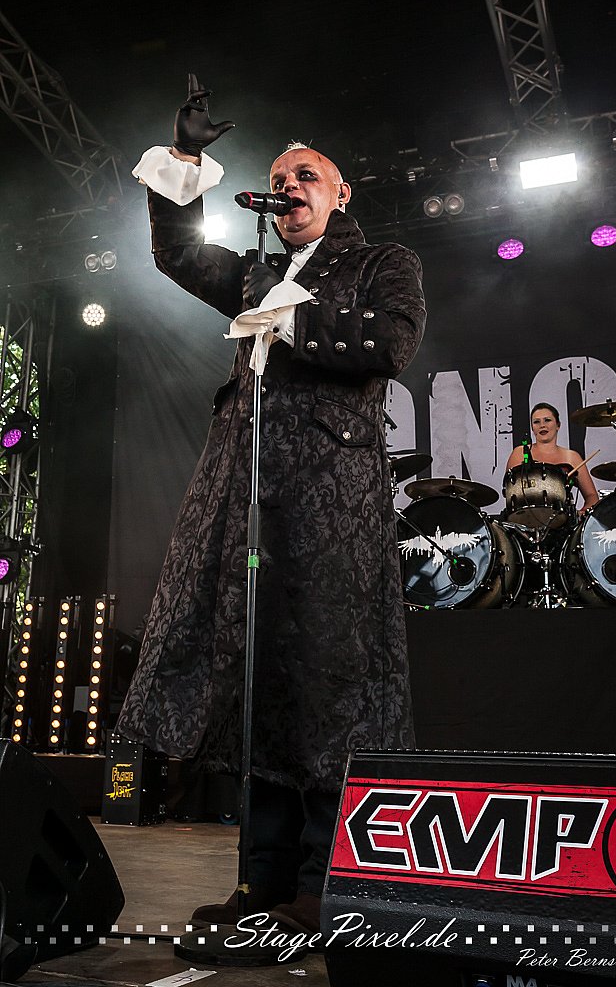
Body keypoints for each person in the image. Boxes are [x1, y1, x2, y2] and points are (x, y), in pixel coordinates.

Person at [115, 75, 427, 936]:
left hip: (330, 498)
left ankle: (319, 885)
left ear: (341, 193)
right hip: (246, 488)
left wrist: (284, 315)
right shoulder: (255, 269)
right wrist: (182, 160)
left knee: (327, 679)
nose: (288, 187)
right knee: (257, 677)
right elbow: (177, 255)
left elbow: (390, 344)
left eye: (306, 177)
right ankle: (258, 882)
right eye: (279, 178)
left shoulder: (381, 262)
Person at [505, 402, 599, 515]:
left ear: (558, 425)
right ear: (532, 428)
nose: (542, 425)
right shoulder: (519, 453)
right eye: (536, 422)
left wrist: (583, 513)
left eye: (547, 420)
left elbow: (592, 496)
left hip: (564, 522)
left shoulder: (572, 457)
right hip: (524, 520)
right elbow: (509, 491)